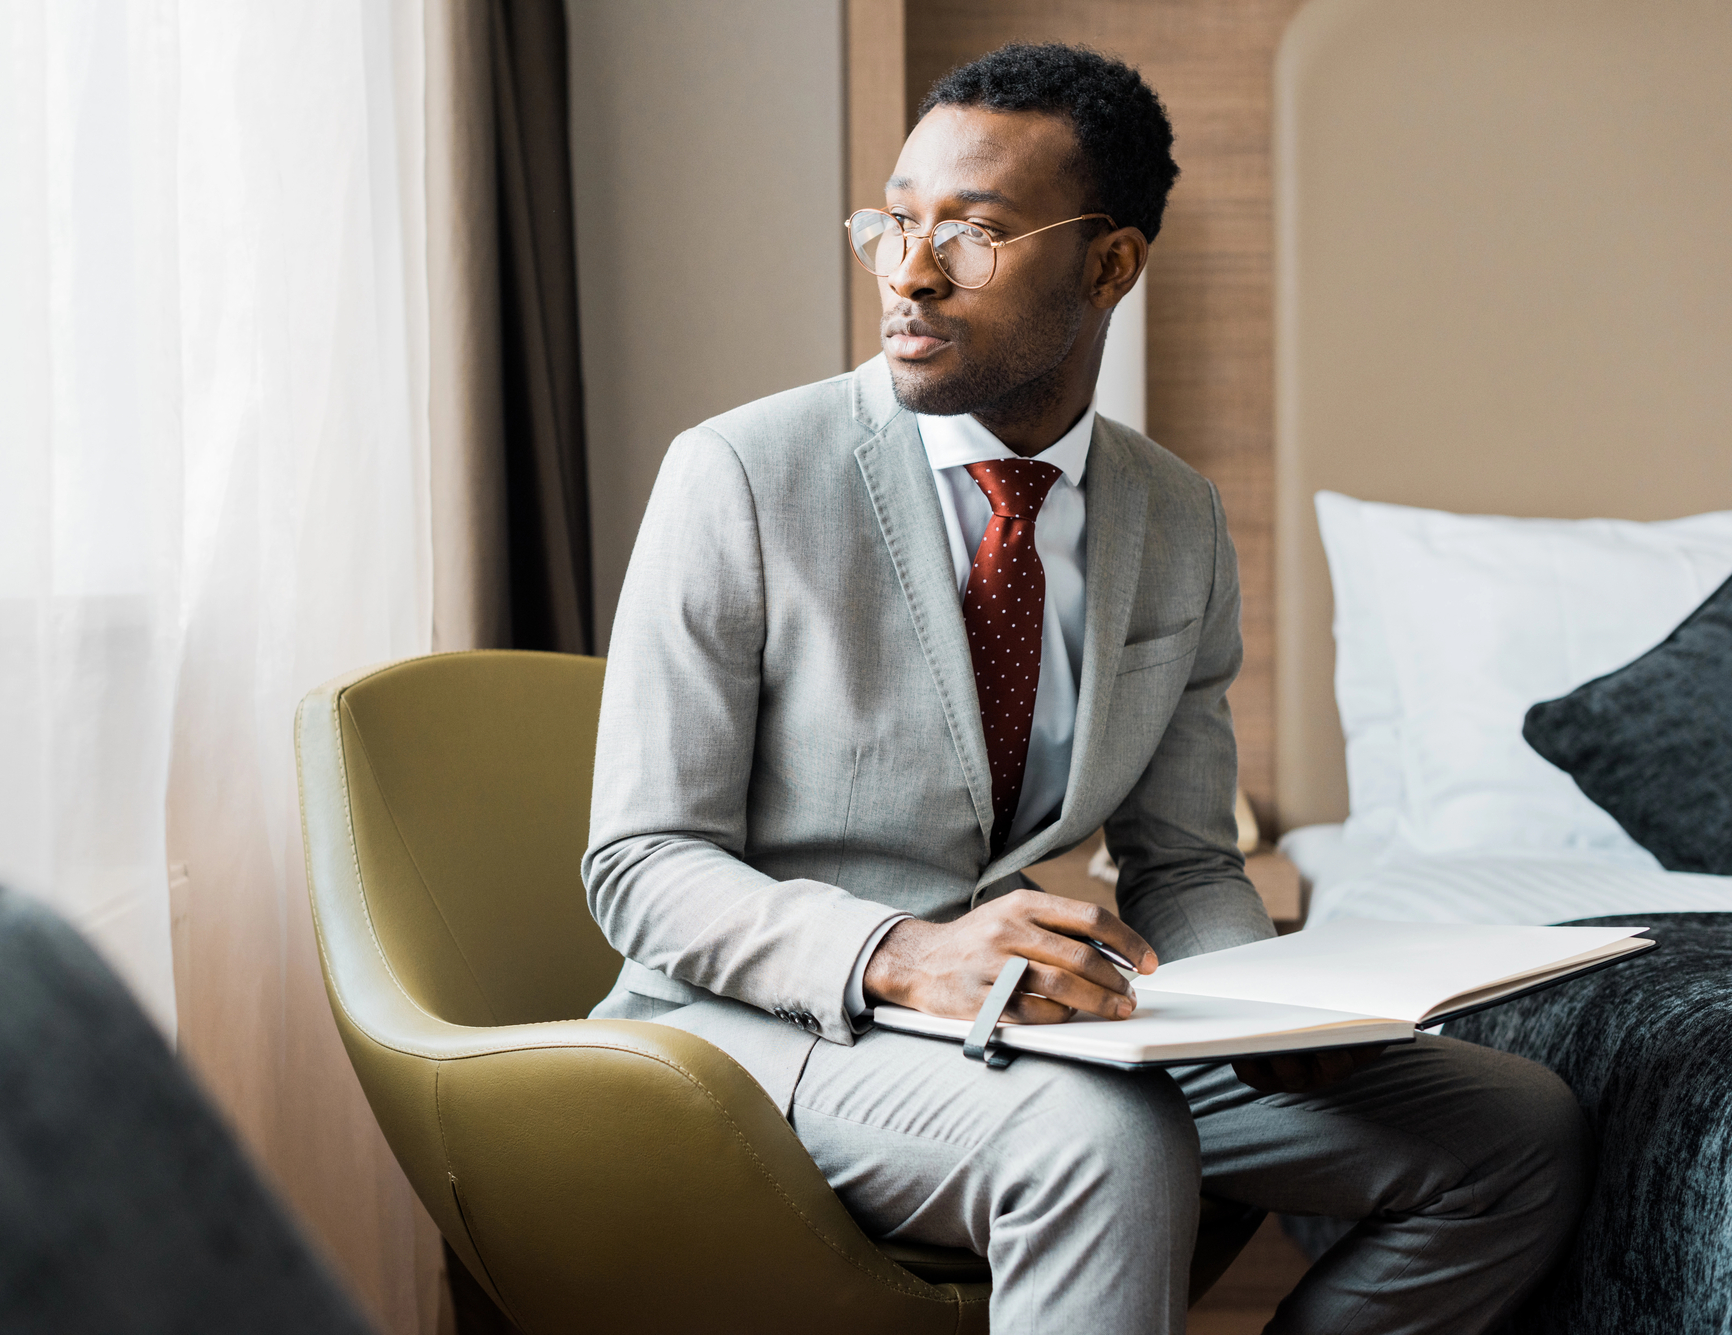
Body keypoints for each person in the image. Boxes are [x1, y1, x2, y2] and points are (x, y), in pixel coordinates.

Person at [582, 42, 1584, 1334]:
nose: (910, 272)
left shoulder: (1174, 517)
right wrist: (899, 955)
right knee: (1099, 1139)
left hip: (1027, 1027)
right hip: (768, 1022)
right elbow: (641, 864)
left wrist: (1275, 1014)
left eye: (975, 232)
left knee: (1512, 1129)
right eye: (895, 221)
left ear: (1109, 264)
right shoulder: (741, 475)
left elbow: (1183, 863)